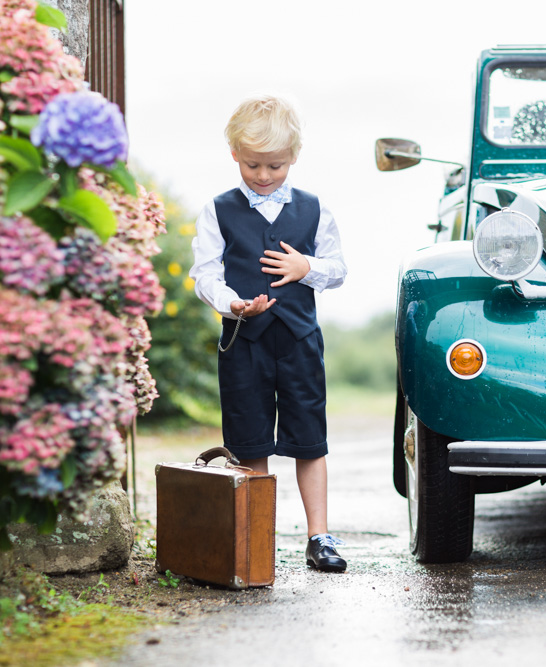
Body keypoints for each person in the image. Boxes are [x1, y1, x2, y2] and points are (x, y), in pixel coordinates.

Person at [189, 95, 348, 572]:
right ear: (234, 154)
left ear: (294, 157)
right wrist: (231, 303)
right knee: (249, 441)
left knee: (309, 440)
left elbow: (338, 269)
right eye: (254, 164)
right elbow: (204, 274)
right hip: (244, 343)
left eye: (275, 166)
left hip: (299, 342)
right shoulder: (218, 210)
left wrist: (307, 267)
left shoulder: (315, 209)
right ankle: (256, 535)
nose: (263, 175)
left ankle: (319, 537)